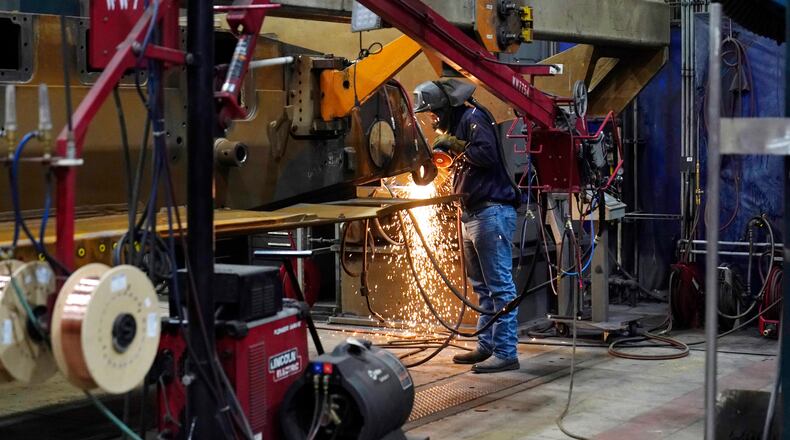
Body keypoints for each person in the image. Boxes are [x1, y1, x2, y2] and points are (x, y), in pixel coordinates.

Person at [413, 79, 521, 373]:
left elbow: (486, 155)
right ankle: (486, 346)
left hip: (491, 212)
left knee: (500, 287)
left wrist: (458, 147)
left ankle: (507, 352)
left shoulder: (474, 118)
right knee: (482, 288)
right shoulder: (459, 124)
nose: (433, 119)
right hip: (472, 215)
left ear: (446, 107)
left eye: (434, 113)